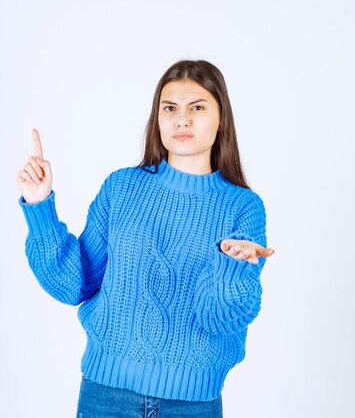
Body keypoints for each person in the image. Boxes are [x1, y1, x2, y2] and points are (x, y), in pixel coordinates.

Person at [16, 59, 275, 417]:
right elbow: (74, 284)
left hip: (192, 405)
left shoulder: (242, 206)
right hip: (106, 397)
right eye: (170, 108)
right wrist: (39, 204)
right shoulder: (122, 188)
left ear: (221, 120)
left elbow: (219, 319)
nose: (181, 119)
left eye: (197, 108)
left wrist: (232, 270)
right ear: (158, 118)